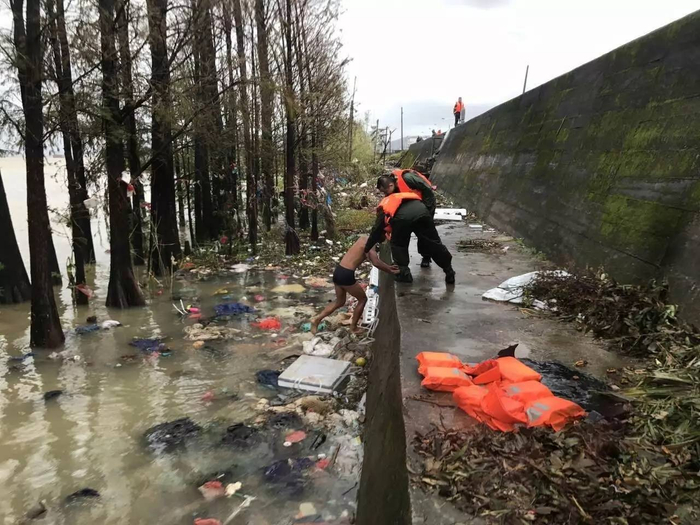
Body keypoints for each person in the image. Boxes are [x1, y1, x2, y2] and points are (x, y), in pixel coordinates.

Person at [365, 187, 455, 284]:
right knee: (433, 243)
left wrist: (366, 248)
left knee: (399, 245)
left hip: (402, 219)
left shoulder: (383, 209)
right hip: (422, 211)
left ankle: (404, 275)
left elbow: (375, 231)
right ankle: (448, 269)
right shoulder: (397, 198)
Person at [310, 236, 399, 334]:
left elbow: (367, 255)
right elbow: (376, 262)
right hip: (346, 274)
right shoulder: (371, 243)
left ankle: (317, 320)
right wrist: (390, 270)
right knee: (362, 299)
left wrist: (388, 266)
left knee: (339, 302)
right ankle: (353, 328)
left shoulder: (363, 238)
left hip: (338, 271)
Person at [377, 170, 435, 268]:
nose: (385, 194)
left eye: (385, 191)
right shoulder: (392, 189)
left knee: (423, 233)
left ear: (390, 185)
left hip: (424, 205)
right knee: (402, 233)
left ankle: (426, 256)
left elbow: (427, 189)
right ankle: (401, 262)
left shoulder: (408, 178)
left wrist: (426, 210)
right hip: (408, 207)